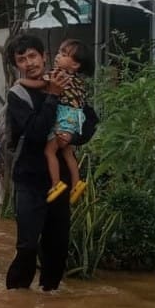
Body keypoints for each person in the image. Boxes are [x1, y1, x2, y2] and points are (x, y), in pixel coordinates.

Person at [3, 35, 97, 293]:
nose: (28, 63)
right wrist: (52, 97)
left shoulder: (67, 82)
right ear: (16, 65)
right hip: (30, 178)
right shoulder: (18, 94)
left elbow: (89, 121)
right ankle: (16, 297)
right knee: (27, 245)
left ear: (44, 56)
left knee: (57, 244)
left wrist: (73, 136)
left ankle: (50, 296)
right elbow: (34, 131)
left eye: (32, 56)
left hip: (61, 180)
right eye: (21, 59)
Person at [41, 39, 92, 205]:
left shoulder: (58, 75)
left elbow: (41, 83)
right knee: (68, 152)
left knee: (50, 150)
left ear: (75, 65)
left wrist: (21, 82)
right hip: (76, 118)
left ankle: (56, 184)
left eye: (63, 55)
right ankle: (77, 183)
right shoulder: (78, 81)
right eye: (59, 52)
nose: (58, 56)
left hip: (63, 116)